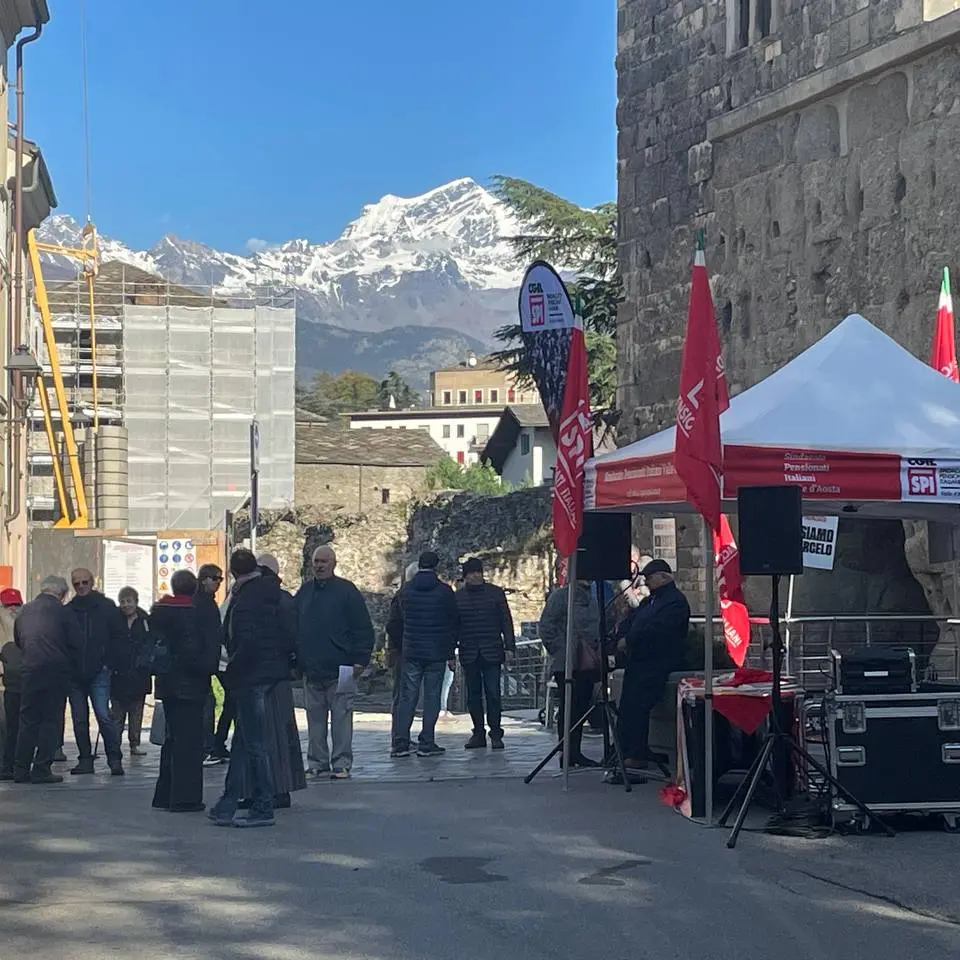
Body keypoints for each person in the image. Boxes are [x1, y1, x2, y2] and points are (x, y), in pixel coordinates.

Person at [210, 549, 293, 828]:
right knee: (244, 740)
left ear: (233, 572)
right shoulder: (273, 594)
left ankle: (262, 805)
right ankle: (228, 801)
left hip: (251, 675)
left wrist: (232, 669)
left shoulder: (245, 600)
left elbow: (243, 641)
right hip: (271, 672)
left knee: (254, 743)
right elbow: (288, 633)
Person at [225, 554, 305, 808]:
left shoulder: (251, 598)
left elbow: (243, 636)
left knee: (257, 735)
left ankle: (259, 793)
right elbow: (293, 636)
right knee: (277, 733)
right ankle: (277, 788)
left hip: (257, 673)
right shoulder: (281, 598)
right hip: (277, 674)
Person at [295, 545, 374, 779]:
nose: (319, 565)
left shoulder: (347, 592)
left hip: (345, 667)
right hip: (312, 667)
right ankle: (317, 762)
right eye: (316, 561)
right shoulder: (305, 593)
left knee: (342, 717)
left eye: (323, 561)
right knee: (315, 719)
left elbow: (362, 628)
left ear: (333, 563)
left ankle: (341, 762)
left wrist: (361, 660)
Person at [150, 570, 221, 812]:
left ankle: (164, 794)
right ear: (194, 588)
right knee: (190, 742)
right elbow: (201, 649)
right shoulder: (196, 613)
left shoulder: (160, 612)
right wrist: (207, 669)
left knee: (172, 738)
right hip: (191, 683)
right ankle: (185, 797)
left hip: (167, 683)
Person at [616, 559, 690, 770]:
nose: (646, 581)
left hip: (658, 661)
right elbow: (633, 621)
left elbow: (660, 630)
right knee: (628, 706)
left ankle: (637, 753)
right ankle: (625, 750)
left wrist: (630, 639)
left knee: (639, 705)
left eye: (650, 577)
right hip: (638, 661)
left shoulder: (675, 602)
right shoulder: (650, 602)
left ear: (664, 577)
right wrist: (622, 635)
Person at [10, 576, 81, 784]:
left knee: (27, 720)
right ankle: (41, 768)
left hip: (30, 670)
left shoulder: (24, 611)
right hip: (56, 672)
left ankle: (20, 769)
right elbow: (76, 642)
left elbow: (18, 640)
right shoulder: (64, 612)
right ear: (62, 593)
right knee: (51, 720)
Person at [389, 551, 458, 759]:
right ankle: (427, 742)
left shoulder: (406, 591)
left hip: (411, 651)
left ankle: (400, 742)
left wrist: (402, 644)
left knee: (407, 697)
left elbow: (394, 622)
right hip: (436, 651)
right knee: (432, 697)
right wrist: (450, 652)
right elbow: (452, 624)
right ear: (436, 567)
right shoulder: (445, 592)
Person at [66, 568, 126, 776]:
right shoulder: (69, 610)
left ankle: (115, 758)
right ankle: (85, 759)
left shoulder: (106, 607)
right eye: (76, 584)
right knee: (79, 720)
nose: (81, 586)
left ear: (92, 582)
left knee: (104, 716)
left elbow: (119, 636)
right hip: (75, 674)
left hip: (100, 671)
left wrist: (109, 662)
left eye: (84, 582)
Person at [538, 573, 602, 769]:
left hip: (586, 661)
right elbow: (546, 626)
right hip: (566, 662)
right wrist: (562, 650)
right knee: (569, 707)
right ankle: (566, 752)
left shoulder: (592, 599)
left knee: (581, 706)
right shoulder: (560, 597)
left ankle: (575, 751)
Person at [456, 558, 515, 750]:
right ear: (465, 576)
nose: (476, 576)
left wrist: (510, 647)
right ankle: (478, 732)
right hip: (469, 650)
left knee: (493, 694)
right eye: (472, 573)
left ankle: (496, 733)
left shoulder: (495, 594)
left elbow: (506, 621)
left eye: (478, 572)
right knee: (473, 696)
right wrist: (450, 651)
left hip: (491, 650)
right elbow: (452, 626)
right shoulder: (458, 597)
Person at [110, 587, 152, 757]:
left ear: (136, 602)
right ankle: (115, 744)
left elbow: (150, 643)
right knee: (117, 713)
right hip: (118, 673)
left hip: (139, 673)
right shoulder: (114, 620)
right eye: (122, 602)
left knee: (136, 712)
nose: (126, 605)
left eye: (129, 601)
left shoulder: (145, 620)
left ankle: (134, 743)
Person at [197, 564, 231, 764]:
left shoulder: (208, 602)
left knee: (214, 702)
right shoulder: (203, 603)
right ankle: (208, 747)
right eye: (215, 578)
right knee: (208, 704)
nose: (219, 583)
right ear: (204, 579)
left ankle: (213, 745)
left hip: (211, 661)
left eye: (220, 579)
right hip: (208, 662)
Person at [385, 561, 419, 749]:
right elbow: (393, 625)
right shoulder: (403, 597)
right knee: (403, 696)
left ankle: (400, 735)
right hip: (404, 651)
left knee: (403, 696)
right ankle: (399, 737)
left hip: (402, 650)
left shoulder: (401, 596)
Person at [0, 588, 25, 779]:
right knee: (6, 726)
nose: (13, 609)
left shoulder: (26, 626)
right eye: (8, 605)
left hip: (23, 682)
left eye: (17, 604)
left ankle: (15, 764)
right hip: (5, 684)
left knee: (17, 726)